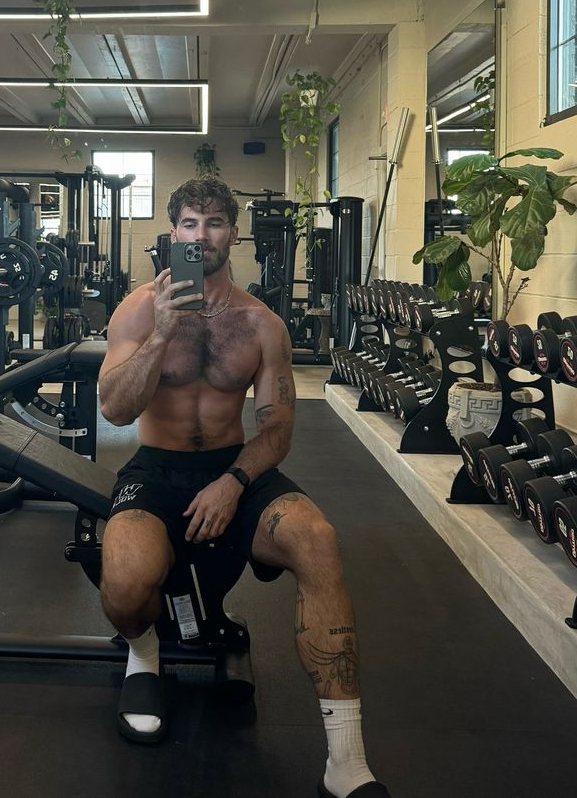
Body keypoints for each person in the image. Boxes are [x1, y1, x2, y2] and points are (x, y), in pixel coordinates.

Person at [98, 178, 390, 798]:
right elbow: (116, 411)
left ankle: (347, 760)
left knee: (316, 539)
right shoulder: (137, 311)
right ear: (171, 233)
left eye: (213, 224)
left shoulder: (261, 324)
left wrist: (234, 482)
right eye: (188, 225)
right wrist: (161, 333)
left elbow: (278, 429)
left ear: (234, 233)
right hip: (157, 468)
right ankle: (144, 655)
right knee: (122, 582)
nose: (200, 237)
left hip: (237, 467)